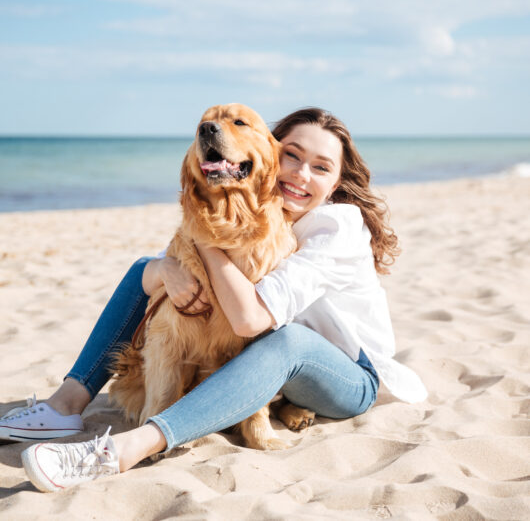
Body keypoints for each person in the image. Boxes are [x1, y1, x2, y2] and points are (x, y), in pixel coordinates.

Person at [2, 108, 427, 493]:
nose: (300, 174)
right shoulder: (269, 213)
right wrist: (166, 269)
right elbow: (181, 275)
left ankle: (130, 447)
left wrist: (203, 242)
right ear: (270, 154)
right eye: (292, 156)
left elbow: (247, 320)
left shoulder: (336, 228)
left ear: (336, 182)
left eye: (321, 168)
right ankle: (65, 405)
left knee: (286, 338)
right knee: (144, 270)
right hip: (274, 370)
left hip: (351, 376)